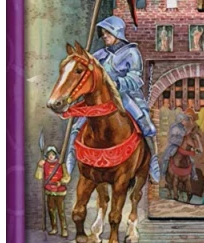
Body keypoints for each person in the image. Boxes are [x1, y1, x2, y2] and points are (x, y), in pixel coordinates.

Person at [66, 16, 160, 183]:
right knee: (76, 127)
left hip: (125, 96)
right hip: (101, 99)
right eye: (103, 33)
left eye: (108, 33)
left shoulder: (131, 53)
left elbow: (135, 78)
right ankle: (69, 162)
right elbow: (88, 74)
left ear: (118, 33)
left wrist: (116, 84)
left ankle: (153, 162)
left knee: (146, 125)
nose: (104, 36)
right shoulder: (99, 55)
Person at [35, 146, 70, 237]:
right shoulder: (44, 164)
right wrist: (39, 167)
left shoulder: (61, 164)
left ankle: (64, 230)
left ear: (55, 155)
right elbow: (38, 177)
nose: (51, 156)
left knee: (61, 211)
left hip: (59, 191)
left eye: (53, 154)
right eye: (49, 154)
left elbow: (67, 177)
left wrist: (61, 182)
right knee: (51, 211)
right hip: (49, 191)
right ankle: (54, 228)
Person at [161, 111, 198, 181]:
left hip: (182, 147)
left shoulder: (183, 128)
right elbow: (172, 139)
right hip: (173, 146)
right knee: (166, 157)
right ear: (180, 120)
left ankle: (193, 175)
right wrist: (181, 139)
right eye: (184, 120)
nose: (185, 122)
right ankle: (163, 173)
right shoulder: (175, 128)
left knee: (191, 160)